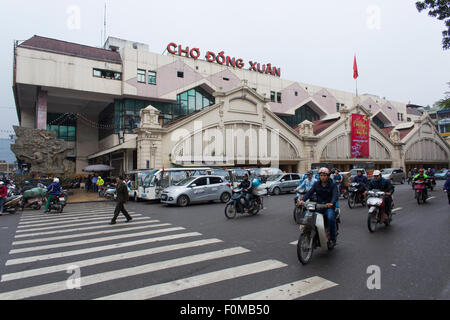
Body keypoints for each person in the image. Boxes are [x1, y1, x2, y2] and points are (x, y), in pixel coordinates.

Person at [299, 167, 338, 249]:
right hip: (319, 206)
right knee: (308, 215)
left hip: (328, 207)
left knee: (330, 218)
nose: (322, 177)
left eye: (324, 175)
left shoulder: (332, 184)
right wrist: (302, 200)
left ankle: (332, 238)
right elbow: (310, 192)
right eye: (321, 175)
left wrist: (331, 203)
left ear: (328, 176)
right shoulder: (316, 184)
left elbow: (335, 195)